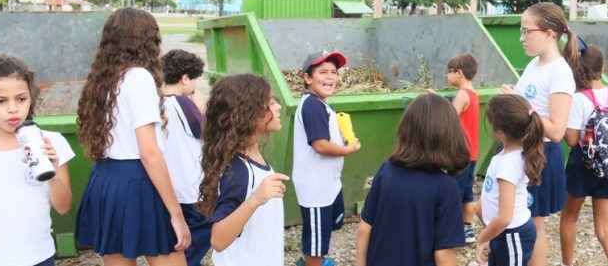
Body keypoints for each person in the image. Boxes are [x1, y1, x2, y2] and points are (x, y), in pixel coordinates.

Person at [74, 8, 190, 266]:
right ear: (147, 41)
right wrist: (176, 213)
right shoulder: (138, 77)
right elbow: (149, 152)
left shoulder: (102, 80)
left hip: (106, 179)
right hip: (138, 181)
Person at [502, 2, 578, 266]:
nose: (522, 38)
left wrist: (523, 105)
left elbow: (557, 130)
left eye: (527, 31)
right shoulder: (535, 64)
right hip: (525, 151)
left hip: (541, 154)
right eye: (521, 31)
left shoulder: (560, 72)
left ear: (549, 33)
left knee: (534, 225)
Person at [355, 93, 468, 266]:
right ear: (450, 135)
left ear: (405, 130)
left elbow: (364, 228)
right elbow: (443, 254)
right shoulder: (447, 188)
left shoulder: (387, 170)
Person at [196, 74, 289, 266]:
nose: (278, 107)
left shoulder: (252, 159)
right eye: (270, 103)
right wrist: (256, 199)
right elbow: (218, 240)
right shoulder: (239, 171)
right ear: (249, 113)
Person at [0, 54, 73, 266]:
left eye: (21, 99)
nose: (13, 108)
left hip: (38, 256)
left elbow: (63, 207)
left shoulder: (51, 142)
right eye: (0, 101)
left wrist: (53, 174)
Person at [560, 46, 608, 266]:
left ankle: (568, 263)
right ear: (603, 67)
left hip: (582, 164)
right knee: (605, 228)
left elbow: (571, 140)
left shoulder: (578, 99)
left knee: (570, 217)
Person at [292, 50, 361, 266]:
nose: (330, 77)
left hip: (326, 182)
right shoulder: (312, 105)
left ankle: (314, 260)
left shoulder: (320, 103)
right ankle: (313, 261)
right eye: (323, 72)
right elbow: (320, 145)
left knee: (325, 229)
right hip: (315, 188)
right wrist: (349, 150)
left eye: (334, 72)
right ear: (307, 78)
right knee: (315, 241)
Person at [475, 94, 546, 266]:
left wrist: (482, 238)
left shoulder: (508, 163)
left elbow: (505, 217)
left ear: (499, 131)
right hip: (502, 233)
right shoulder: (506, 156)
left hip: (512, 234)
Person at [161, 49, 209, 266]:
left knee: (180, 237)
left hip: (171, 186)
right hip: (191, 187)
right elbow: (205, 132)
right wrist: (202, 106)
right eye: (194, 80)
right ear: (185, 78)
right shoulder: (183, 102)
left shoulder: (158, 102)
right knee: (201, 233)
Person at [445, 53, 480, 243]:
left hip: (460, 153)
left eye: (449, 72)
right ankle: (467, 230)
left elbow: (450, 117)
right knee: (467, 193)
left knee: (453, 192)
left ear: (459, 73)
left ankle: (451, 231)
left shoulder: (461, 94)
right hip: (472, 153)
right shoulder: (473, 93)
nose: (447, 76)